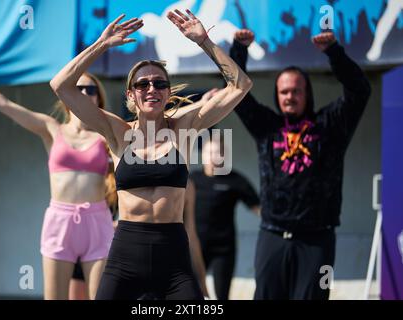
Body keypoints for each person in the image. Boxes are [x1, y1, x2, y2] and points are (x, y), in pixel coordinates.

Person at [50, 9, 252, 299]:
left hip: (174, 261)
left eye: (159, 83)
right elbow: (60, 86)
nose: (151, 88)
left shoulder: (185, 127)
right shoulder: (117, 131)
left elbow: (241, 85)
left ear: (168, 93)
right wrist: (101, 44)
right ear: (131, 95)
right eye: (142, 84)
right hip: (124, 257)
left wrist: (204, 41)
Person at [0, 59, 116, 300]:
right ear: (67, 97)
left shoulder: (107, 136)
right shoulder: (52, 128)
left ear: (98, 99)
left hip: (98, 222)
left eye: (90, 90)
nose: (83, 94)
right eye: (77, 88)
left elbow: (129, 175)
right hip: (60, 222)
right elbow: (7, 105)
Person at [229, 29, 371, 299]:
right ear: (277, 94)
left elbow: (360, 90)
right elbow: (236, 93)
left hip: (317, 241)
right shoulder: (266, 127)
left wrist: (334, 52)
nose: (289, 97)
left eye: (296, 91)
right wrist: (239, 49)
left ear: (307, 93)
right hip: (271, 237)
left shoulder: (331, 126)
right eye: (284, 91)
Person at [190, 138, 260, 300]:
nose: (213, 157)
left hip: (224, 249)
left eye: (217, 153)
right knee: (191, 293)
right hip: (196, 247)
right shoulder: (193, 179)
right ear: (203, 155)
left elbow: (258, 208)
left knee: (222, 295)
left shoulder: (234, 180)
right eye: (209, 153)